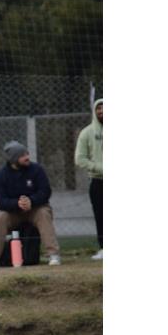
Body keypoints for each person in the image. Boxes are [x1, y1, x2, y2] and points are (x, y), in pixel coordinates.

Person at [0, 142, 62, 267]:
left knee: (43, 213)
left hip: (35, 209)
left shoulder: (37, 170)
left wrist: (31, 201)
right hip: (13, 212)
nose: (27, 157)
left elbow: (45, 192)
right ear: (14, 159)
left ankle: (53, 255)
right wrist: (17, 203)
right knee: (0, 218)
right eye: (22, 155)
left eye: (27, 153)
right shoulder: (1, 176)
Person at [75, 98, 103, 260]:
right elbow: (80, 159)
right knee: (101, 215)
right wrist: (99, 168)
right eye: (98, 109)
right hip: (98, 181)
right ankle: (104, 247)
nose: (101, 112)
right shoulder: (87, 133)